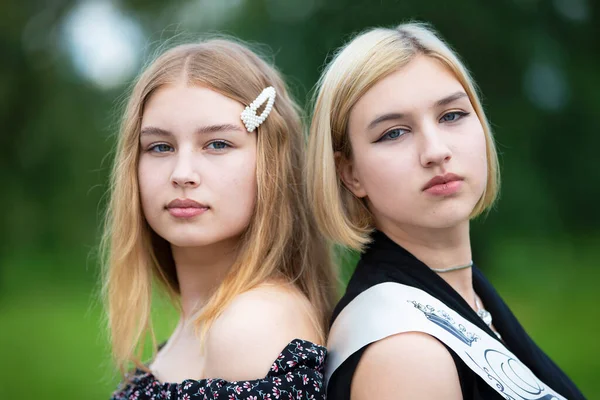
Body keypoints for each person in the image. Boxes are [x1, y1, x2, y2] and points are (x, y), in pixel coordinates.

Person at [307, 22, 585, 399]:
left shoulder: (466, 290)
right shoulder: (404, 353)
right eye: (394, 133)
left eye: (451, 115)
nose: (436, 151)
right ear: (350, 173)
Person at [101, 38, 335, 400]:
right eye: (160, 147)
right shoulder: (209, 319)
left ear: (271, 162)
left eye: (217, 144)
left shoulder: (251, 324)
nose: (182, 173)